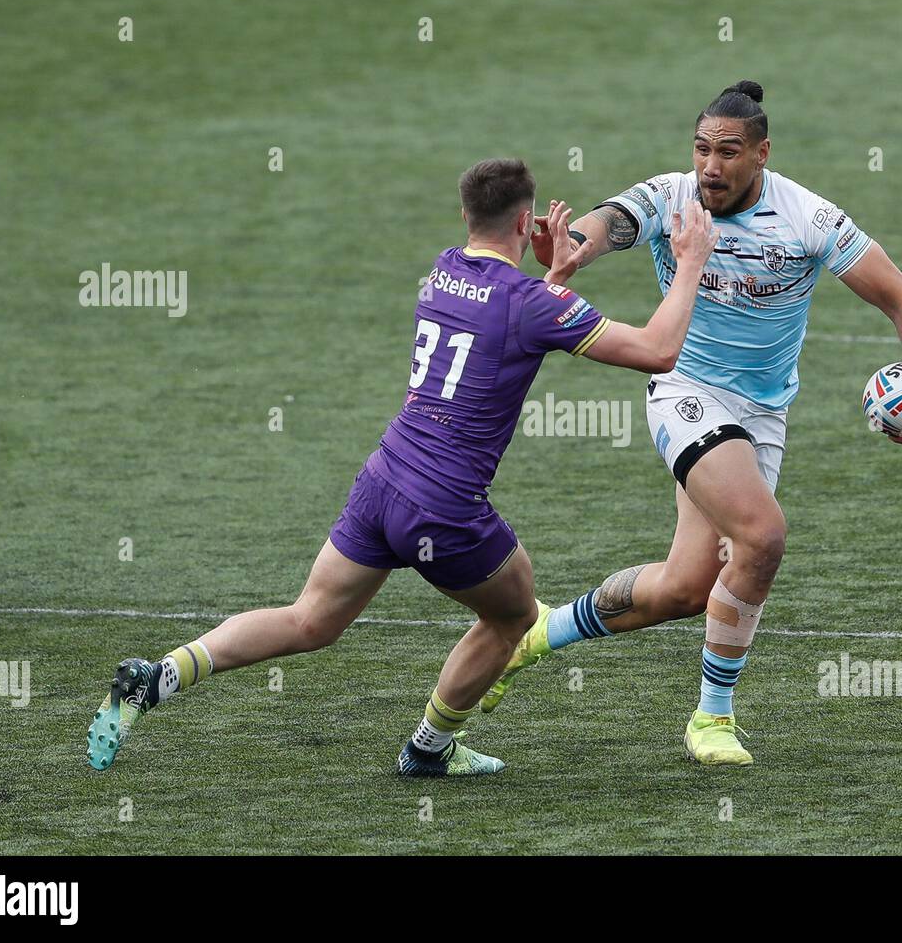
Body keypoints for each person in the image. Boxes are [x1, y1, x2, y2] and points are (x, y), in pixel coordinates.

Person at [85, 157, 718, 776]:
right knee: (514, 619)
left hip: (383, 482)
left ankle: (160, 675)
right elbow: (657, 352)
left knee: (309, 619)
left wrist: (558, 274)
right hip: (443, 506)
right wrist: (689, 262)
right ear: (528, 222)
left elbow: (509, 317)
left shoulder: (444, 271)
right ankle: (429, 748)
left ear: (466, 215)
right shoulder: (529, 301)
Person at [482, 82, 902, 766]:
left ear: (761, 154)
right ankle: (712, 718)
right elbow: (607, 223)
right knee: (762, 537)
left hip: (763, 412)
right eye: (702, 149)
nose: (711, 165)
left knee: (685, 588)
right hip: (686, 391)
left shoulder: (807, 217)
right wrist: (568, 245)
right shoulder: (671, 197)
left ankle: (537, 634)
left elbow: (898, 295)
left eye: (728, 152)